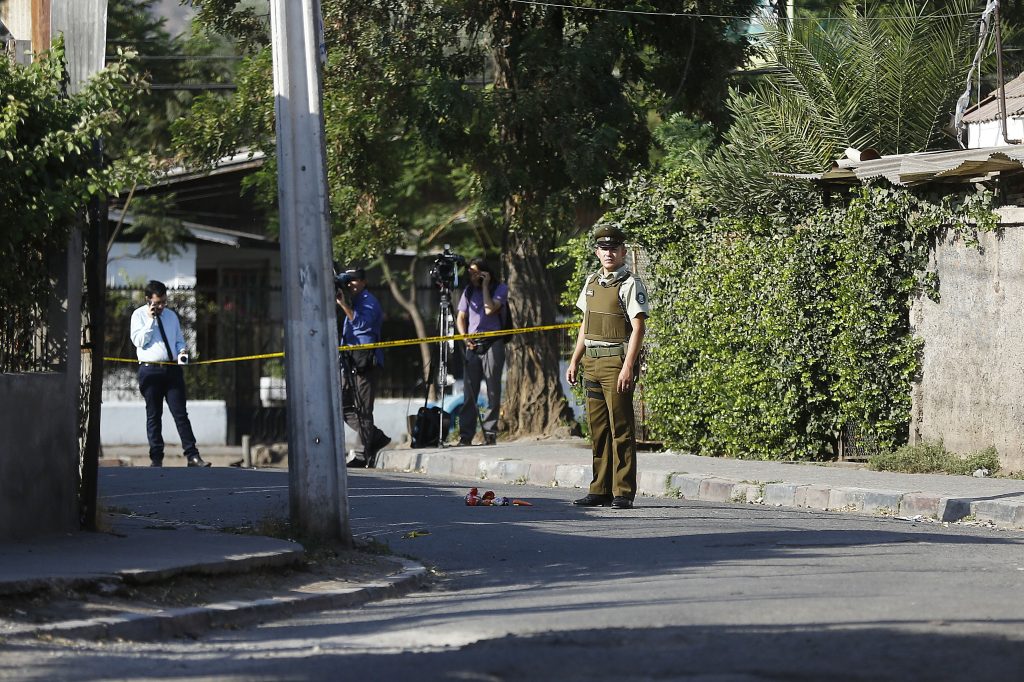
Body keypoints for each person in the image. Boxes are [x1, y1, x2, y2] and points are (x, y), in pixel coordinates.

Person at [565, 223, 650, 509]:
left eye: (614, 248)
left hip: (616, 362)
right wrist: (575, 359)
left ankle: (622, 491)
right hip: (591, 361)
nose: (609, 253)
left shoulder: (629, 283)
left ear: (623, 251)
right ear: (597, 252)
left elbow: (638, 328)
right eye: (604, 248)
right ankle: (599, 488)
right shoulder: (591, 282)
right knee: (598, 429)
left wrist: (628, 366)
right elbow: (584, 325)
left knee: (621, 429)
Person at [130, 280, 210, 468]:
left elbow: (179, 340)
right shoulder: (138, 316)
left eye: (163, 302)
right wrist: (150, 320)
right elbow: (139, 341)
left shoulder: (171, 316)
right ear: (148, 300)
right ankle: (156, 458)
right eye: (157, 303)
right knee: (154, 414)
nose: (161, 306)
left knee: (181, 413)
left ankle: (192, 455)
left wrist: (182, 351)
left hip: (172, 369)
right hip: (150, 370)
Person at [336, 268, 391, 468]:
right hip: (350, 361)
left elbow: (362, 325)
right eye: (347, 281)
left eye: (354, 281)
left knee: (364, 409)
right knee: (342, 406)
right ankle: (374, 436)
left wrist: (343, 305)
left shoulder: (368, 301)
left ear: (364, 282)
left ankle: (362, 454)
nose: (350, 284)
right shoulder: (354, 301)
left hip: (366, 362)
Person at [455, 257, 509, 446]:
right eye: (470, 272)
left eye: (476, 272)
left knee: (493, 389)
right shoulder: (468, 291)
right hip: (473, 344)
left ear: (485, 272)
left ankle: (490, 432)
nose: (472, 276)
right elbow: (461, 317)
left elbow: (489, 310)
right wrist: (464, 337)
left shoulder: (499, 288)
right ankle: (465, 435)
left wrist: (485, 285)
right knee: (470, 391)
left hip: (493, 342)